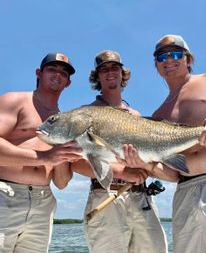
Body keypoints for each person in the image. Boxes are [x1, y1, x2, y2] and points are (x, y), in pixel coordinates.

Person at [122, 34, 206, 253]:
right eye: (162, 56)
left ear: (188, 58)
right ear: (156, 66)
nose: (168, 60)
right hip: (185, 193)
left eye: (175, 54)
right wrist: (146, 165)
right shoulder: (157, 115)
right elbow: (172, 174)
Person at [71, 50, 168, 253]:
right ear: (97, 76)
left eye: (114, 67)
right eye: (103, 69)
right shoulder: (84, 114)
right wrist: (123, 172)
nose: (110, 72)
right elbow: (75, 162)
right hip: (105, 195)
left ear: (122, 73)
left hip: (142, 197)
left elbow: (146, 157)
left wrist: (144, 167)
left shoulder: (135, 116)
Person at [0, 53, 82, 253]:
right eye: (52, 69)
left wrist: (62, 156)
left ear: (68, 83)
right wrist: (45, 157)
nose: (58, 75)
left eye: (63, 73)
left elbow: (61, 183)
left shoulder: (66, 120)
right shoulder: (15, 100)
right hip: (5, 195)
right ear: (39, 73)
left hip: (43, 201)